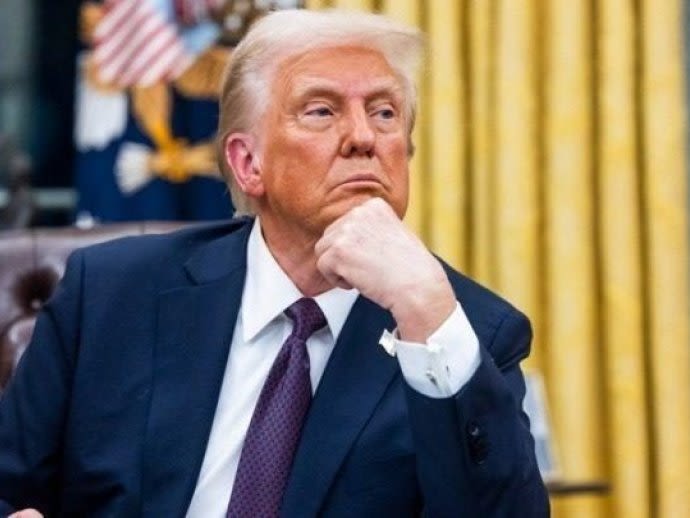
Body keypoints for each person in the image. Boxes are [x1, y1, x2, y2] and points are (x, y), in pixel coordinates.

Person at [0, 9, 549, 517]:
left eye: (385, 113)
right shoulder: (111, 295)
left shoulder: (465, 333)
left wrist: (426, 313)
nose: (364, 137)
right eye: (322, 111)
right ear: (247, 163)